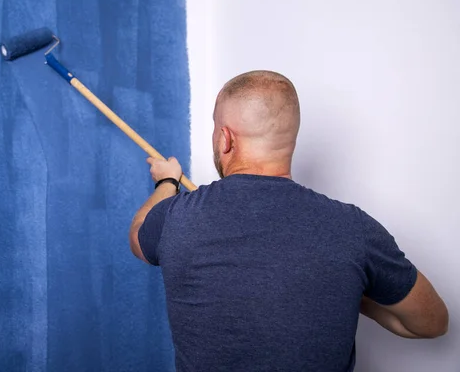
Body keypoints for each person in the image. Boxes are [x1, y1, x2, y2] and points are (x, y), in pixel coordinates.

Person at [128, 70, 449, 371]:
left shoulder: (177, 216)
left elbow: (139, 237)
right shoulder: (353, 229)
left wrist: (167, 182)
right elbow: (430, 323)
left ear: (225, 138)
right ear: (289, 140)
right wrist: (349, 287)